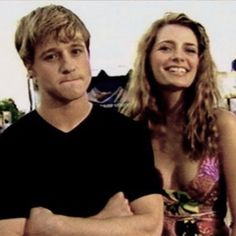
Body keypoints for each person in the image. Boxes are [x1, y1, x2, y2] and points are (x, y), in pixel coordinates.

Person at [0, 4, 164, 236]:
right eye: (51, 56)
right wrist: (104, 222)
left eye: (76, 51)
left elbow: (150, 228)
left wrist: (52, 227)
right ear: (30, 67)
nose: (68, 66)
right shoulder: (12, 145)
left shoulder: (126, 133)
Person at [120, 12, 236, 236]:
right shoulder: (129, 131)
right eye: (166, 48)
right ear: (147, 58)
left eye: (190, 50)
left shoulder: (222, 126)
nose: (179, 57)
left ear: (199, 62)